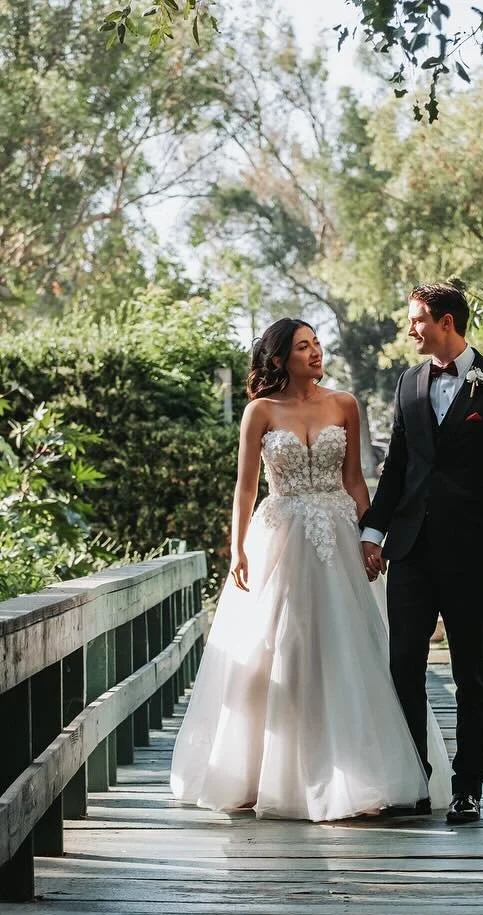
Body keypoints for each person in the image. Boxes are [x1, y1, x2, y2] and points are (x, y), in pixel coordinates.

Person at [169, 317, 449, 821]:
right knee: (281, 648)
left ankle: (364, 773)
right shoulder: (259, 411)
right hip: (280, 535)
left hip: (340, 534)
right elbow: (245, 488)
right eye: (304, 346)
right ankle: (266, 774)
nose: (316, 352)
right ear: (280, 359)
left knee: (349, 647)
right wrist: (237, 550)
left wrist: (370, 536)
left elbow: (356, 481)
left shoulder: (344, 405)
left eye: (317, 343)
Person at [361, 283, 483, 825]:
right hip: (410, 552)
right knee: (402, 667)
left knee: (470, 676)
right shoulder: (408, 382)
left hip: (473, 556)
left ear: (447, 322)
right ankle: (418, 778)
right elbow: (397, 468)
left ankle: (468, 787)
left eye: (417, 320)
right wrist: (373, 531)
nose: (410, 329)